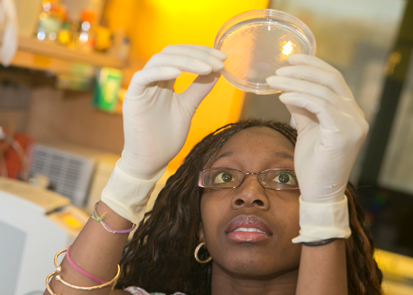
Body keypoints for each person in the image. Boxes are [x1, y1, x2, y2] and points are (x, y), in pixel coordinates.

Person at [44, 45, 383, 295]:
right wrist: (133, 174)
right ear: (199, 230)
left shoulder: (320, 209)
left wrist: (325, 204)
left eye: (283, 177)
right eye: (224, 177)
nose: (249, 195)